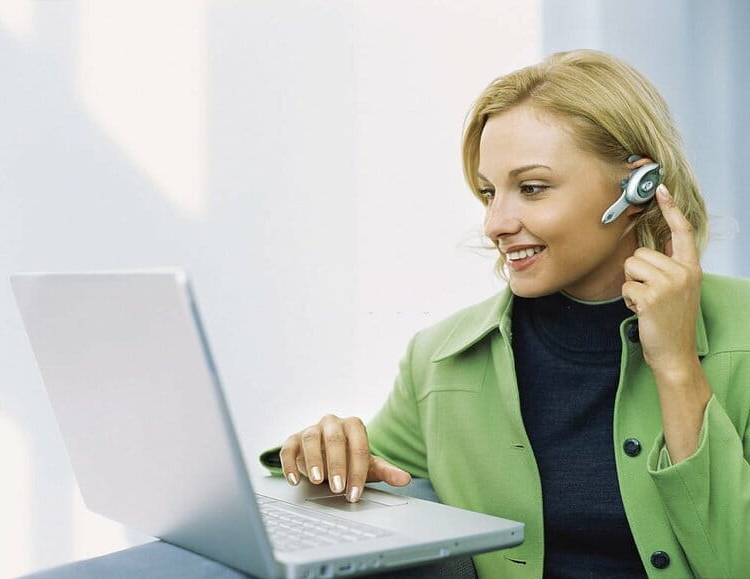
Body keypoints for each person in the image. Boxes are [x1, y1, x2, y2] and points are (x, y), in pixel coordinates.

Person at [260, 49, 750, 578]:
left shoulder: (741, 333)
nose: (494, 223)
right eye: (489, 192)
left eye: (532, 188)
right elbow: (342, 497)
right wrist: (321, 458)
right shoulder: (441, 360)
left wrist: (678, 366)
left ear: (637, 188)